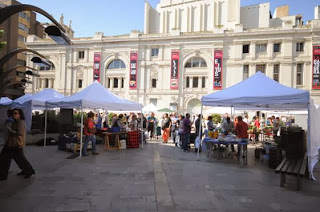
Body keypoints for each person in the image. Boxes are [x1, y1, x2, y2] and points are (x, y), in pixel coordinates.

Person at [0, 108, 35, 180]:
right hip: (9, 144)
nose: (13, 115)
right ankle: (26, 171)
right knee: (5, 159)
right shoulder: (13, 121)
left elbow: (19, 133)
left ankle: (28, 171)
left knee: (19, 159)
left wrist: (9, 129)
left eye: (15, 113)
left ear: (20, 114)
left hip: (16, 144)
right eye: (13, 113)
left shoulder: (21, 122)